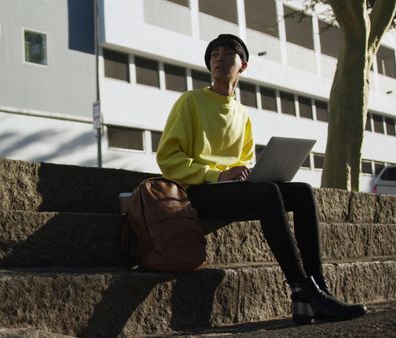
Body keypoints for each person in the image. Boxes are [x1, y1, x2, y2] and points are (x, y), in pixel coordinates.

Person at [156, 33, 367, 324]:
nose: (219, 58)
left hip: (234, 190)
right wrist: (217, 174)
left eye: (227, 53)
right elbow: (168, 159)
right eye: (214, 54)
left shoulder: (242, 114)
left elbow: (243, 162)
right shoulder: (190, 101)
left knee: (302, 192)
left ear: (243, 66)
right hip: (197, 190)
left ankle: (319, 286)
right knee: (268, 193)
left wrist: (249, 173)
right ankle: (300, 288)